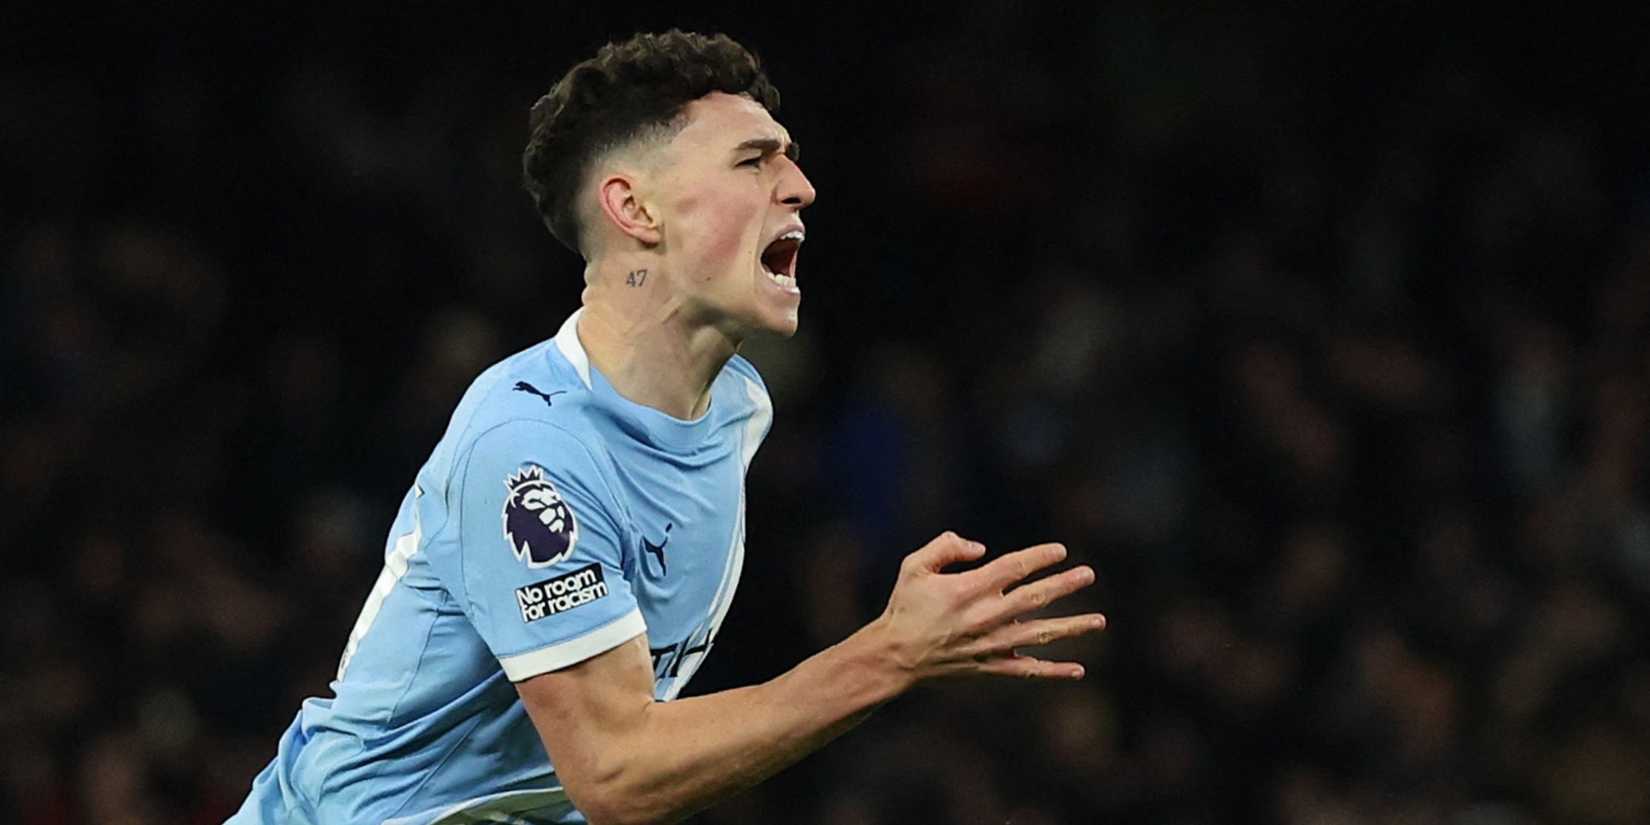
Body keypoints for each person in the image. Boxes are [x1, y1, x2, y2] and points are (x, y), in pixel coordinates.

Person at [227, 29, 1106, 825]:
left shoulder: (737, 407)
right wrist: (888, 652)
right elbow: (615, 772)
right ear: (636, 211)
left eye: (789, 160)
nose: (800, 185)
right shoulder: (529, 452)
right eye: (753, 161)